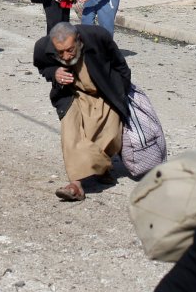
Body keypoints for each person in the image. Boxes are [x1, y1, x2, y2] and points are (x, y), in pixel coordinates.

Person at [33, 22, 130, 202]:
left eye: (70, 50)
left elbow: (121, 66)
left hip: (104, 93)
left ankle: (101, 168)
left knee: (109, 136)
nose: (66, 56)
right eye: (60, 52)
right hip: (72, 94)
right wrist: (55, 73)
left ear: (79, 40)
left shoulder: (98, 36)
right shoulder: (43, 47)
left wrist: (120, 93)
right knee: (72, 135)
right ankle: (76, 185)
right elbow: (42, 67)